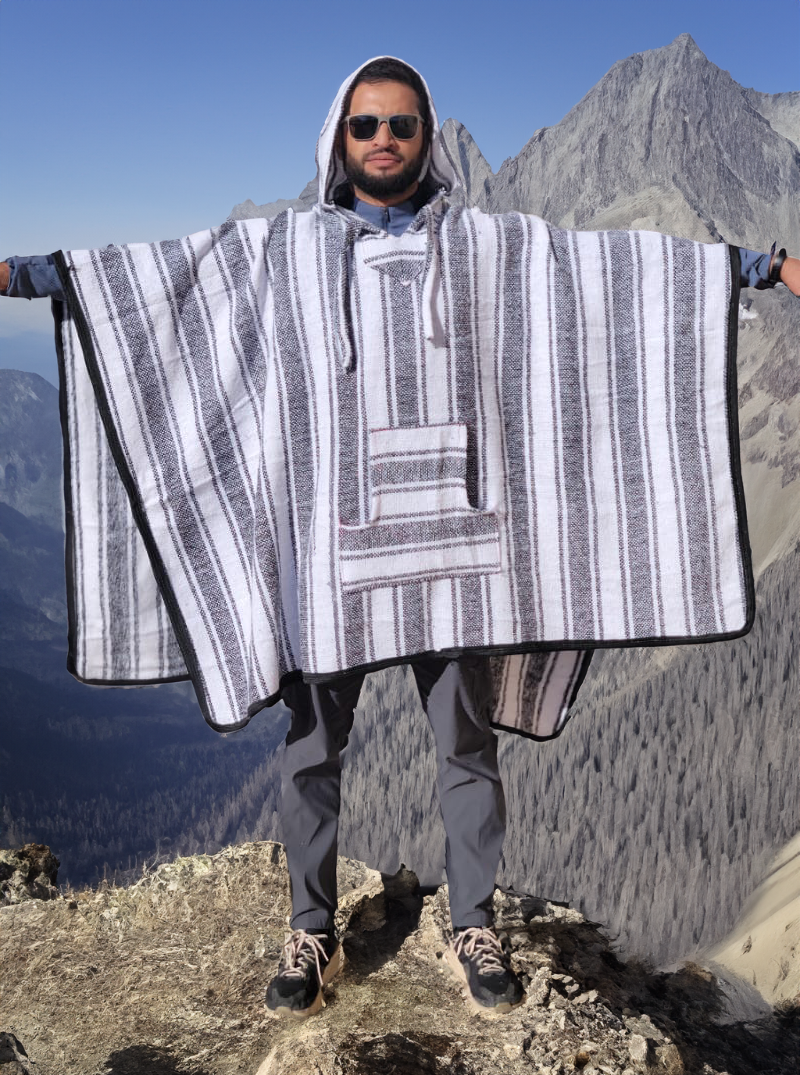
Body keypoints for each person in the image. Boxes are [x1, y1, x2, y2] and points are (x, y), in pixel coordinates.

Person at [2, 57, 798, 1022]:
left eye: (402, 125)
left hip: (455, 549)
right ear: (339, 139)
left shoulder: (491, 248)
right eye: (366, 124)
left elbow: (614, 273)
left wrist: (762, 266)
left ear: (428, 138)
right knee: (310, 749)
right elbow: (160, 279)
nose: (383, 140)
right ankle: (311, 927)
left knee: (466, 746)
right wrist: (19, 274)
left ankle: (473, 923)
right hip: (332, 552)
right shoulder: (285, 251)